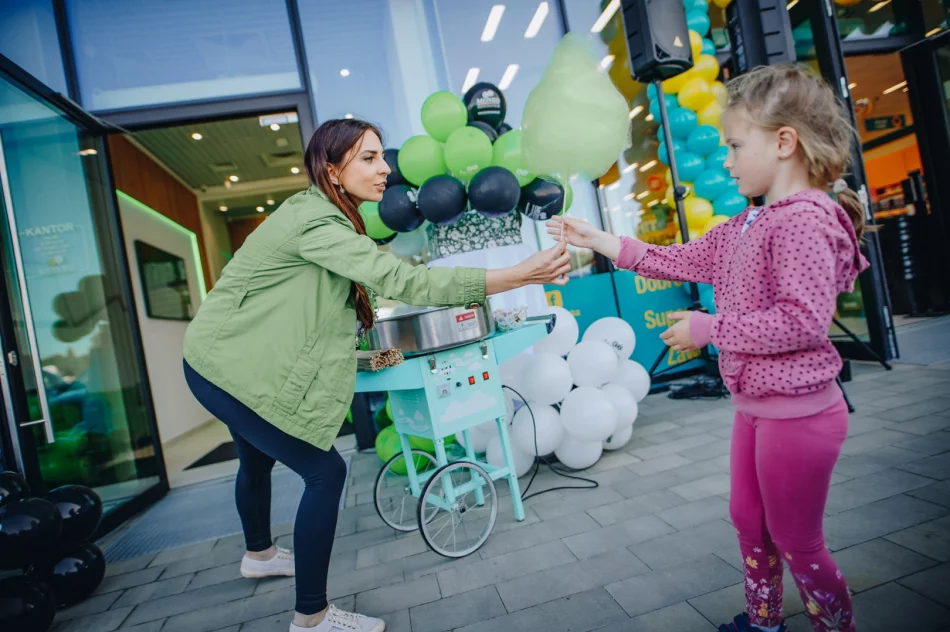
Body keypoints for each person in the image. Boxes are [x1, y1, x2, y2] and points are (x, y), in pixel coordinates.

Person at [183, 118, 570, 632]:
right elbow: (398, 278)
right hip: (228, 368)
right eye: (368, 158)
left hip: (222, 361)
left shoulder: (328, 222)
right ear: (331, 169)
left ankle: (258, 554)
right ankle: (312, 617)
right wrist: (518, 274)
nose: (385, 167)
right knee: (325, 474)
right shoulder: (316, 222)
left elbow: (337, 324)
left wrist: (388, 359)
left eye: (381, 156)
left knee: (254, 460)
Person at [548, 64, 866, 632]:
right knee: (749, 520)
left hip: (800, 414)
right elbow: (679, 259)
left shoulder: (804, 221)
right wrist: (600, 239)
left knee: (798, 539)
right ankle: (765, 622)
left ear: (785, 142)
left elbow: (804, 322)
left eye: (736, 145)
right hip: (756, 408)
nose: (726, 158)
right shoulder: (749, 222)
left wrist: (709, 329)